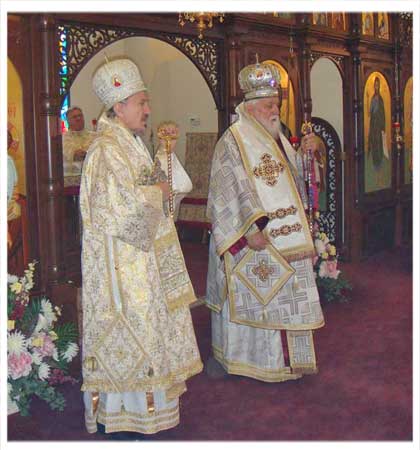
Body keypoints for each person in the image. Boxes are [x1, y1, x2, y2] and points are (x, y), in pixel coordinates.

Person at [79, 57, 202, 437]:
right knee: (137, 327)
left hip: (143, 256)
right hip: (123, 267)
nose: (148, 110)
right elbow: (112, 210)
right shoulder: (106, 149)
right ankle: (127, 414)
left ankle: (150, 410)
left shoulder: (129, 144)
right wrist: (156, 192)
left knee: (153, 326)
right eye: (141, 103)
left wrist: (166, 180)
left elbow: (153, 191)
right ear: (119, 107)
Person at [205, 60, 325, 383]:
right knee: (259, 297)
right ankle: (253, 361)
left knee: (288, 295)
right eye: (269, 105)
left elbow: (295, 181)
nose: (275, 110)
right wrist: (249, 228)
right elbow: (224, 190)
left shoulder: (278, 137)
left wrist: (310, 155)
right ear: (251, 107)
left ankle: (291, 361)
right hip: (254, 239)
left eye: (276, 104)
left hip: (287, 238)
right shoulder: (233, 140)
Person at [154, 120, 193, 220]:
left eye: (173, 133)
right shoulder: (161, 158)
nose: (169, 138)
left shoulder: (170, 156)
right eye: (165, 133)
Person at [62, 106, 97, 181]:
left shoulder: (95, 137)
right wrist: (73, 154)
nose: (78, 118)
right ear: (68, 120)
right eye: (74, 117)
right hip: (70, 179)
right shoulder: (62, 139)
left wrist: (87, 154)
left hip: (92, 177)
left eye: (80, 116)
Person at [367, 77, 386, 178]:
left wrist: (382, 126)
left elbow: (382, 113)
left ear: (379, 86)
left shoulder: (381, 99)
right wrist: (367, 100)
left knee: (379, 144)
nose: (376, 87)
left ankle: (379, 165)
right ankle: (375, 164)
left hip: (379, 126)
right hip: (373, 125)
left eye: (378, 85)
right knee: (374, 143)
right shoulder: (373, 97)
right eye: (375, 85)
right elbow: (370, 112)